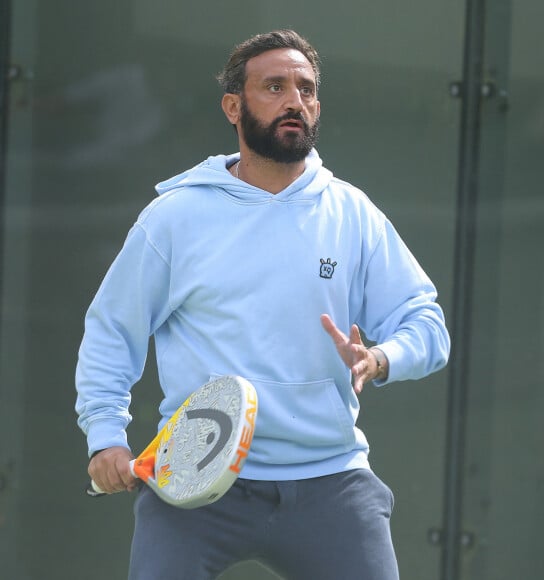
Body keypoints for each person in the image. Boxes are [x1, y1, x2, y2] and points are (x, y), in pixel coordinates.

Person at [75, 29, 450, 580]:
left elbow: (427, 322)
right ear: (234, 106)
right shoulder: (175, 218)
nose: (294, 100)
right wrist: (105, 435)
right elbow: (112, 331)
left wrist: (381, 358)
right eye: (274, 86)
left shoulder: (353, 213)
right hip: (192, 479)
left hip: (332, 481)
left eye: (306, 89)